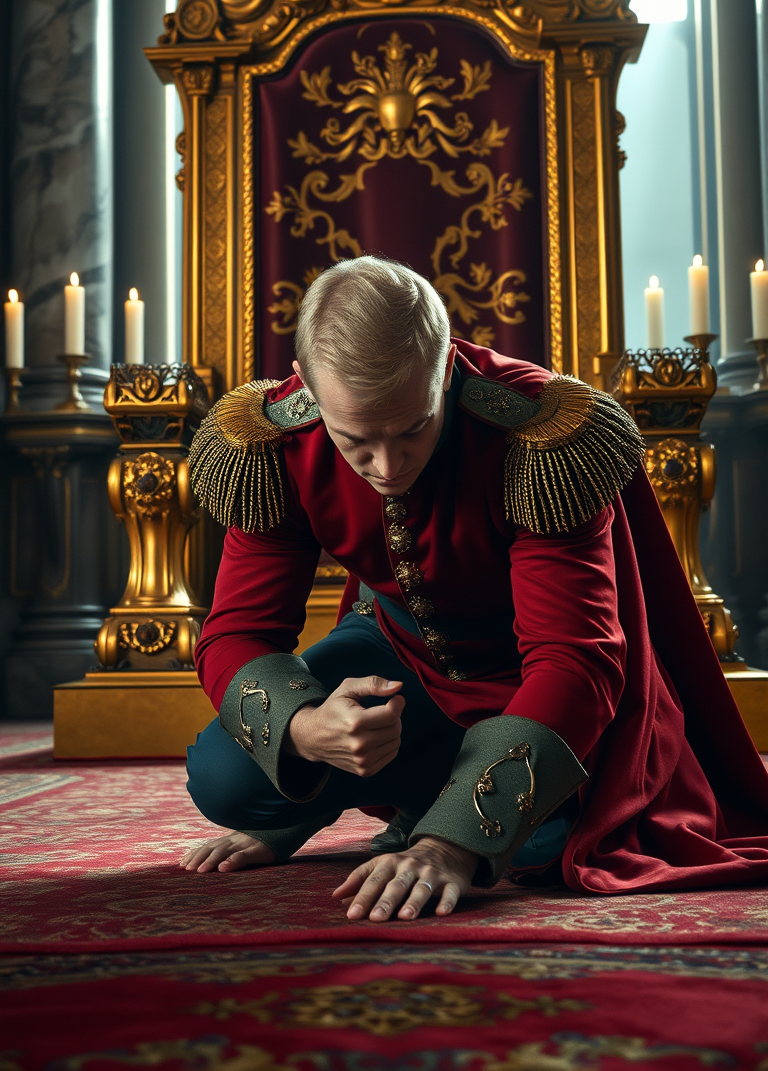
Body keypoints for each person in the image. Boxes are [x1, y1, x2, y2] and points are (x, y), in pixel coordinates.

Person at [181, 256, 768, 922]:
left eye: (412, 429)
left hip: (536, 680)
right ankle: (380, 799)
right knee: (227, 779)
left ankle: (423, 812)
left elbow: (576, 662)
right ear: (311, 394)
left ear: (444, 370)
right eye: (356, 443)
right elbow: (236, 631)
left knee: (554, 846)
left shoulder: (541, 435)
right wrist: (308, 730)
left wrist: (450, 844)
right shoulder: (277, 440)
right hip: (400, 658)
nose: (387, 465)